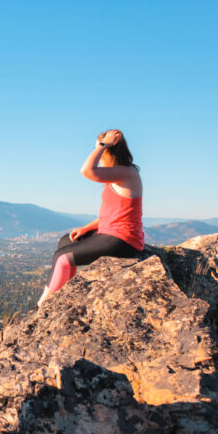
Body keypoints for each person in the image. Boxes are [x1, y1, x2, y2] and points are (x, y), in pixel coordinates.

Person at [37, 129, 144, 307]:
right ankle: (64, 292)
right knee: (66, 242)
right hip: (109, 232)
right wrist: (87, 228)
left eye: (99, 149)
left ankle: (43, 305)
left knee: (62, 257)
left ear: (109, 149)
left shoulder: (128, 173)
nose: (97, 153)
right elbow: (114, 212)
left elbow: (87, 170)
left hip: (124, 241)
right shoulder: (115, 176)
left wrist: (102, 145)